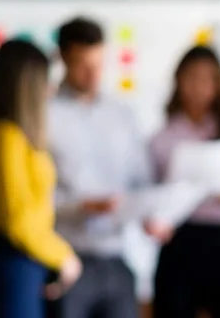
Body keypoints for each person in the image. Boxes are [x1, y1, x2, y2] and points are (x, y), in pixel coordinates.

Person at [47, 17, 151, 318]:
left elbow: (141, 181)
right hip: (67, 259)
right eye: (83, 64)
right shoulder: (46, 115)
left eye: (98, 63)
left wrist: (151, 213)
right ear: (63, 58)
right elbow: (34, 195)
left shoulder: (122, 115)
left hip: (117, 259)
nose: (93, 74)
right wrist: (80, 208)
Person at [148, 46, 220, 318]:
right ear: (178, 81)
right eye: (192, 77)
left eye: (209, 78)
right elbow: (150, 194)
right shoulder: (164, 135)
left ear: (219, 84)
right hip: (178, 238)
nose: (200, 86)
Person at [0, 40, 82, 318]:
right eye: (46, 81)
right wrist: (64, 256)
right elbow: (18, 221)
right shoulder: (5, 137)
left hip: (21, 265)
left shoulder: (8, 135)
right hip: (12, 263)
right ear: (27, 85)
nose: (51, 89)